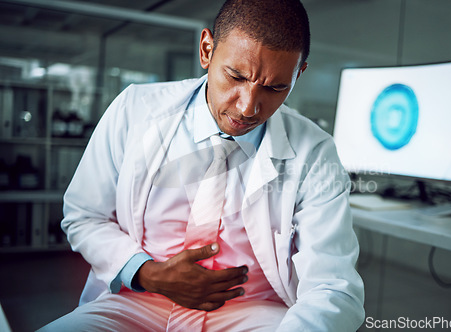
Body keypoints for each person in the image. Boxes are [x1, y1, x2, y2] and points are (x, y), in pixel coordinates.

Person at [40, 0, 364, 330]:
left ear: (299, 73)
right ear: (207, 49)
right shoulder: (134, 109)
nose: (249, 107)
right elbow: (84, 216)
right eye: (236, 76)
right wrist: (148, 273)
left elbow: (332, 287)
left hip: (251, 311)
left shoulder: (315, 152)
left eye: (275, 87)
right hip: (135, 300)